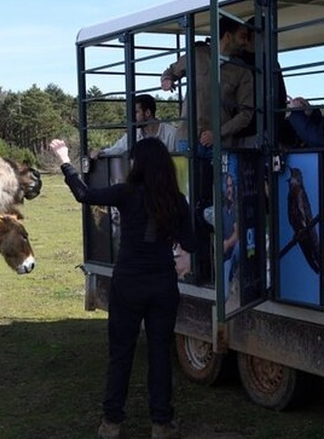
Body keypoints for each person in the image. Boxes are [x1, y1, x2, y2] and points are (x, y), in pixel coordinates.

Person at [49, 137, 196, 439]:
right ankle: (161, 424)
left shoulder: (126, 192)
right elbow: (191, 243)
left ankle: (111, 423)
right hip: (162, 284)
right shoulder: (176, 199)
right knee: (159, 355)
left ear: (138, 165)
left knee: (121, 354)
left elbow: (84, 195)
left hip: (128, 283)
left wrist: (64, 160)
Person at [160, 15, 254, 153]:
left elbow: (246, 113)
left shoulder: (243, 70)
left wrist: (218, 133)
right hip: (187, 138)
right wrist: (167, 79)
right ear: (227, 36)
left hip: (220, 143)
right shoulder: (196, 54)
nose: (246, 42)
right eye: (242, 36)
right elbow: (172, 70)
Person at [236, 17, 298, 148]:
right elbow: (281, 98)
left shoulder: (235, 61)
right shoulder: (270, 62)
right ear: (257, 35)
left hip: (242, 132)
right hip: (259, 131)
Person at [91, 94, 178, 158]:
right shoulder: (134, 133)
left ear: (147, 113)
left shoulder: (172, 134)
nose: (131, 117)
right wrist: (102, 152)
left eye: (136, 112)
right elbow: (118, 148)